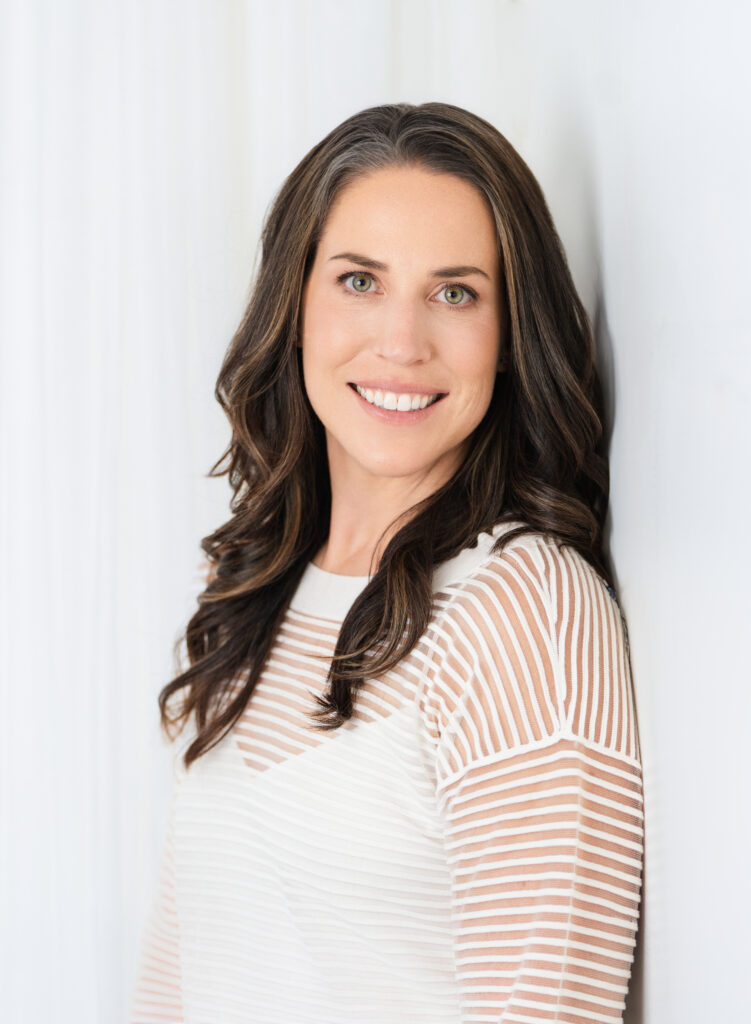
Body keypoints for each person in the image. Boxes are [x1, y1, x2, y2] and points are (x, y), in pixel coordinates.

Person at [129, 101, 643, 1024]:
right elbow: (179, 981)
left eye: (455, 293)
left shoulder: (524, 612)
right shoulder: (254, 591)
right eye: (360, 281)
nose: (402, 343)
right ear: (295, 306)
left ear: (508, 336)